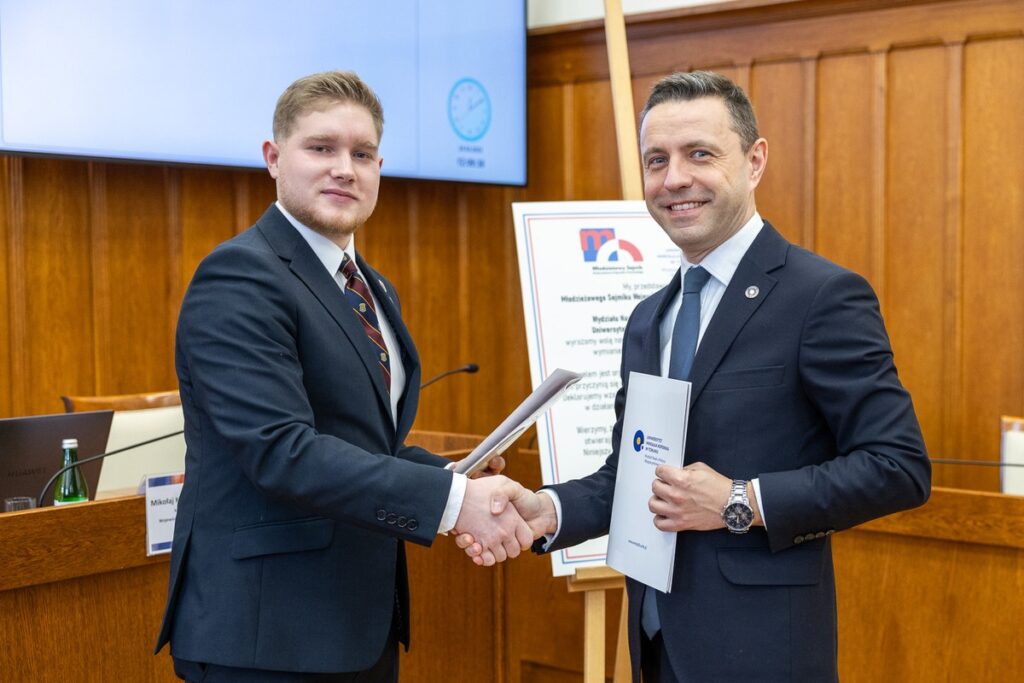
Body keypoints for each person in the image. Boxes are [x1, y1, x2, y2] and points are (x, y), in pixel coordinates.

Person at [461, 71, 931, 682]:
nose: (674, 178)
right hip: (655, 645)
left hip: (764, 654)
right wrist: (546, 510)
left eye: (700, 154)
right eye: (657, 160)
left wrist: (741, 502)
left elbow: (899, 467)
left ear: (754, 161)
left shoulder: (822, 297)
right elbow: (632, 476)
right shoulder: (649, 317)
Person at [155, 70, 531, 682]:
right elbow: (282, 452)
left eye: (362, 154)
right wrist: (456, 501)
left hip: (354, 622)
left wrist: (451, 474)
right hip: (265, 635)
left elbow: (362, 444)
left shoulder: (371, 287)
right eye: (321, 148)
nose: (344, 169)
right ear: (274, 158)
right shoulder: (240, 276)